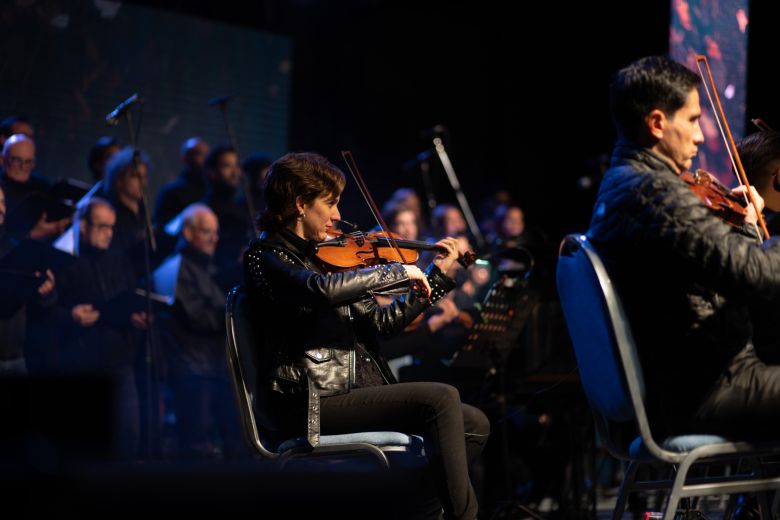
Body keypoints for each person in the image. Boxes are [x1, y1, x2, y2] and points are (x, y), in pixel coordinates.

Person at [243, 152, 490, 520]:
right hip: (310, 403)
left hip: (352, 392)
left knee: (475, 423)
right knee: (441, 397)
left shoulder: (327, 257)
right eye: (330, 203)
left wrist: (435, 277)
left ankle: (415, 510)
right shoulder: (266, 257)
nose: (338, 215)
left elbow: (383, 325)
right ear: (300, 204)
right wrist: (394, 272)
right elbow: (318, 290)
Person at [587, 55, 780, 440]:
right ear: (658, 123)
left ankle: (755, 502)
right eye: (692, 120)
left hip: (693, 384)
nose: (700, 135)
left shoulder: (626, 186)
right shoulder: (653, 193)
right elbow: (755, 276)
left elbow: (721, 270)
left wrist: (745, 229)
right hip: (710, 389)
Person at [54, 197, 146, 459]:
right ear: (82, 226)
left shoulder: (117, 260)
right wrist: (69, 316)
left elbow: (128, 295)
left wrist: (135, 316)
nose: (109, 233)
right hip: (80, 364)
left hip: (119, 360)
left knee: (129, 435)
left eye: (112, 227)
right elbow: (45, 314)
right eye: (102, 227)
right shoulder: (63, 260)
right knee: (87, 444)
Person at [154, 203, 243, 459]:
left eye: (215, 232)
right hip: (192, 368)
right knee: (198, 444)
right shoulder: (177, 268)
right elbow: (194, 316)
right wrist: (232, 316)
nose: (214, 238)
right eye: (207, 232)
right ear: (188, 232)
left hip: (213, 365)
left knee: (234, 440)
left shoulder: (206, 267)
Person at [154, 137, 210, 227]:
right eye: (199, 154)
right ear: (185, 158)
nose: (205, 160)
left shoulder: (210, 190)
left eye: (207, 155)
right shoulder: (171, 192)